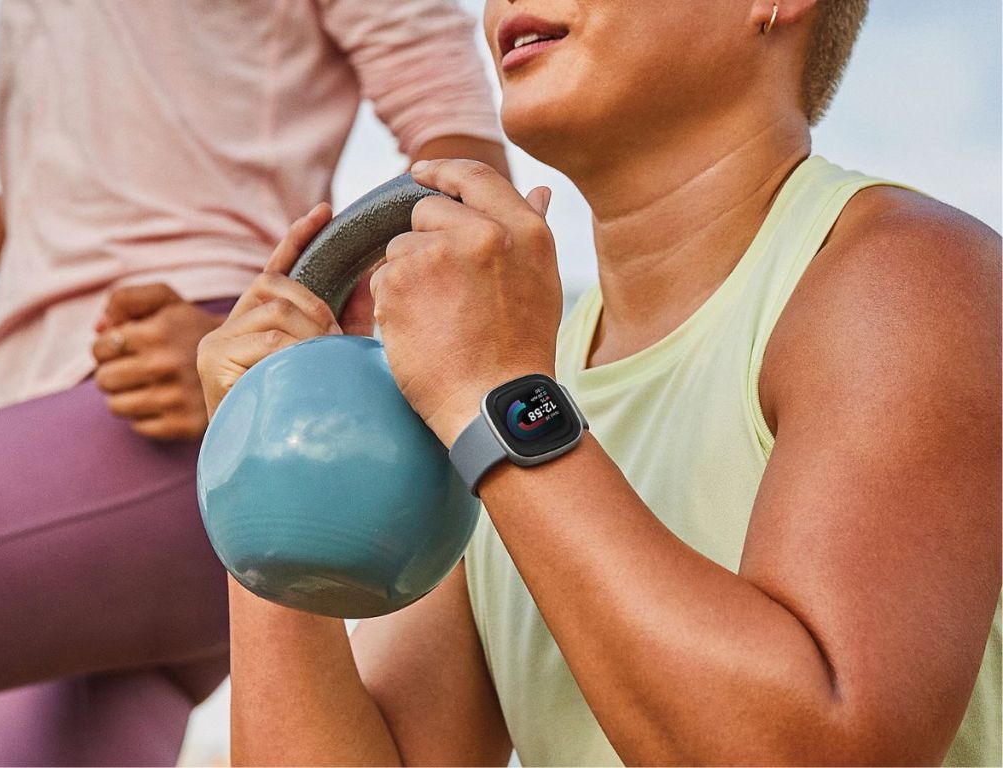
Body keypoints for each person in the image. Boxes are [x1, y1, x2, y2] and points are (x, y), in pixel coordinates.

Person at [198, 0, 1002, 765]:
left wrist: (504, 399)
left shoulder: (913, 277)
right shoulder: (487, 382)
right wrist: (263, 481)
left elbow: (822, 753)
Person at [0, 1, 507, 765]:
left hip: (202, 413)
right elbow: (56, 239)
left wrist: (274, 358)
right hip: (59, 422)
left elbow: (465, 169)